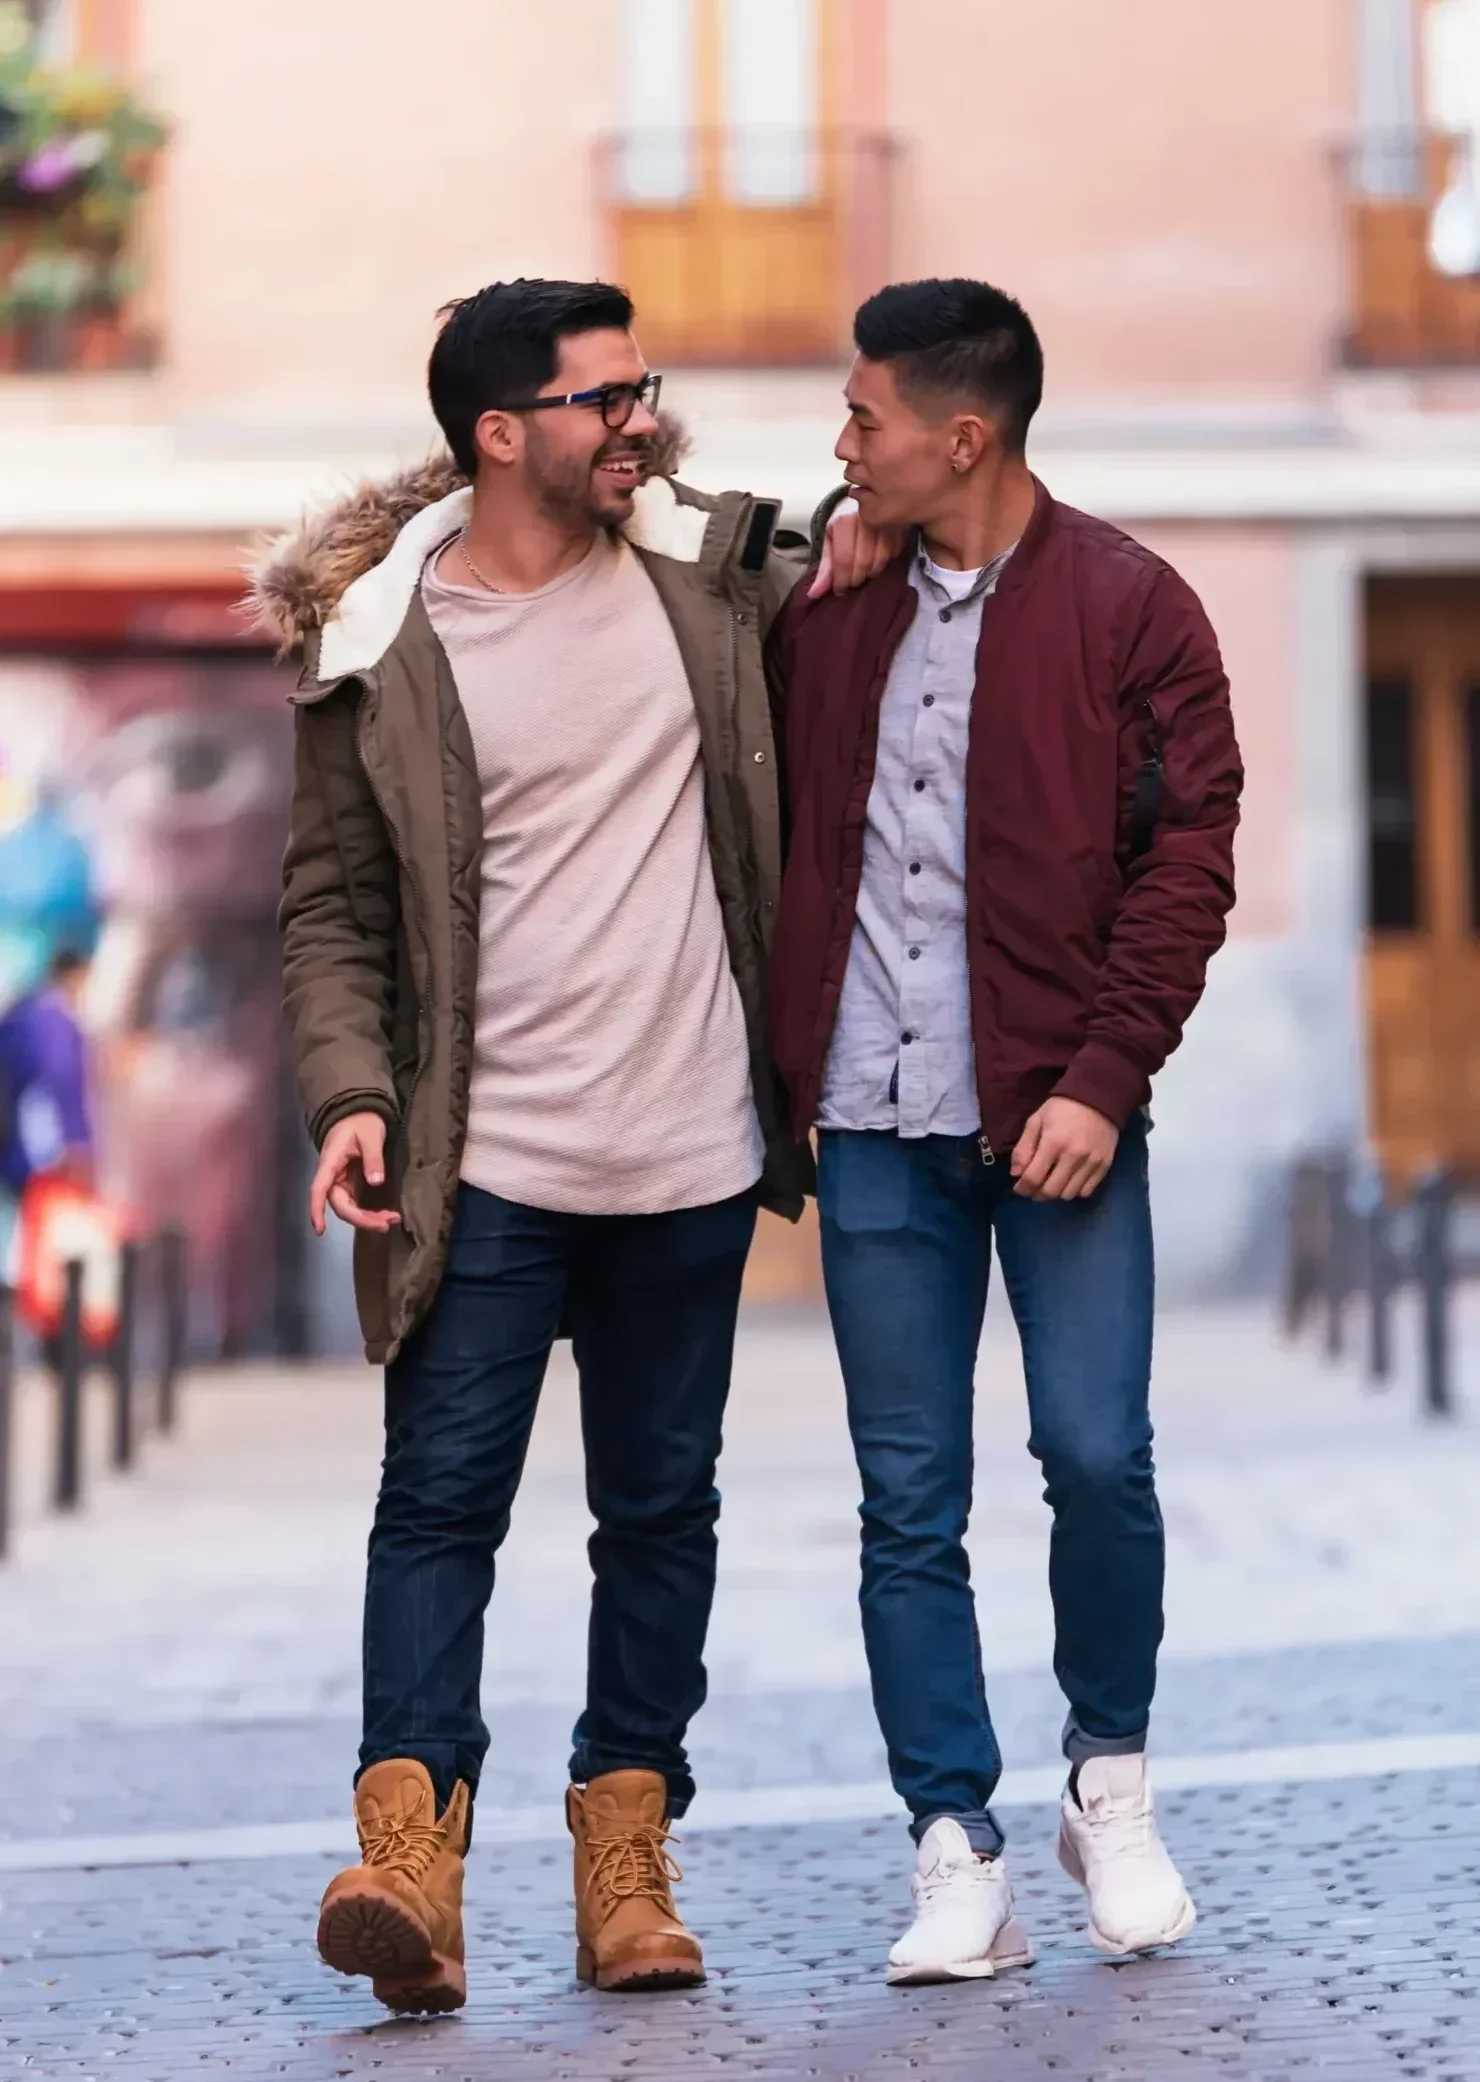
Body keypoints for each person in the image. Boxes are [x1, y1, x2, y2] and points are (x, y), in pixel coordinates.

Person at [260, 278, 885, 2013]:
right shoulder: (387, 640)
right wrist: (349, 1092)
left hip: (687, 1150)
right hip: (488, 1163)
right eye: (603, 396)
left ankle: (629, 1862)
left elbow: (870, 560)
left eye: (640, 387)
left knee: (659, 1511)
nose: (639, 417)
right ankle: (414, 1874)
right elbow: (328, 909)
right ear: (501, 433)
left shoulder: (708, 584)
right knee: (438, 1504)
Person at [766, 278, 1243, 1983]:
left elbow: (1190, 862)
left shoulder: (1133, 608)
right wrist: (815, 533)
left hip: (1063, 1124)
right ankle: (952, 1843)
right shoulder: (821, 615)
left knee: (1100, 1456)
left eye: (864, 420)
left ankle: (1107, 1782)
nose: (843, 443)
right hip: (877, 1123)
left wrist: (1103, 1080)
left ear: (960, 435)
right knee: (909, 1500)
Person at [0, 945, 94, 1268]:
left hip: (16, 1143)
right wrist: (77, 1141)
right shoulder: (56, 1018)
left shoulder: (23, 1013)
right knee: (43, 1229)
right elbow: (62, 1076)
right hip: (42, 1147)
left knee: (23, 1224)